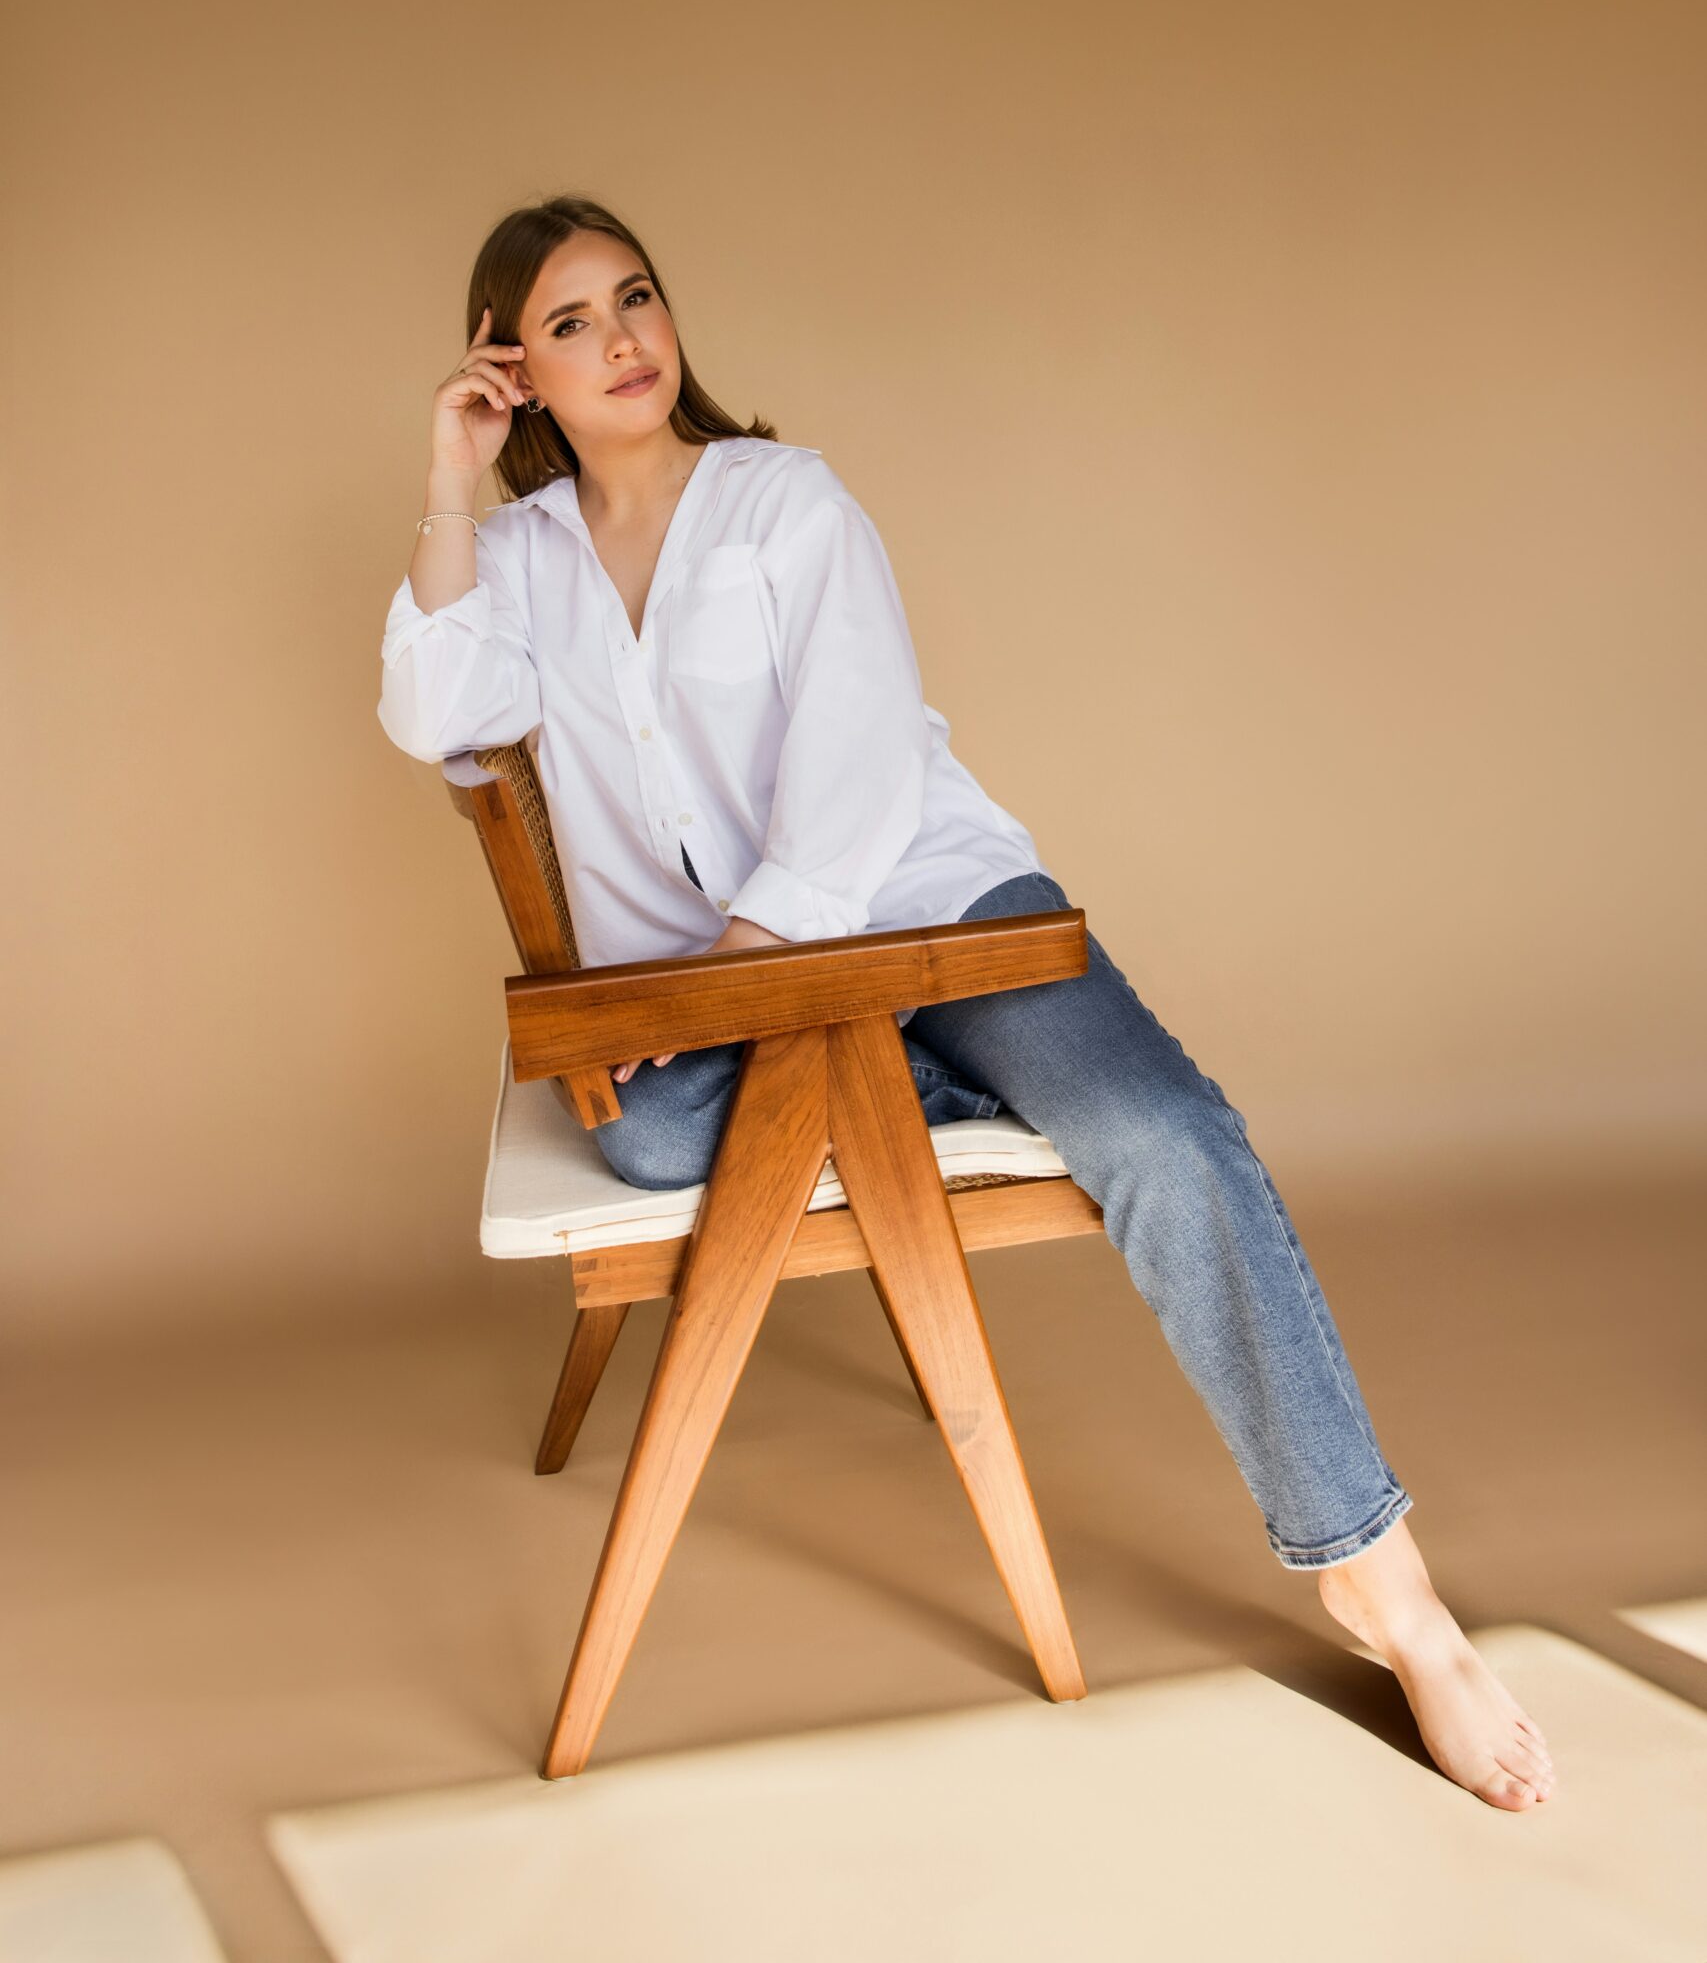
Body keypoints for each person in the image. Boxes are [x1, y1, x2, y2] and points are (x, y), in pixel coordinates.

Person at [378, 190, 1555, 1813]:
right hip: (765, 999)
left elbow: (861, 779)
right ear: (515, 368)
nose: (624, 341)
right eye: (570, 323)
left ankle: (1384, 1584)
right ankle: (968, 1088)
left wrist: (739, 980)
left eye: (637, 298)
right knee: (646, 1145)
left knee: (1163, 1137)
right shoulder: (510, 561)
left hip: (930, 916)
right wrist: (449, 478)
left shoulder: (786, 502)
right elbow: (440, 718)